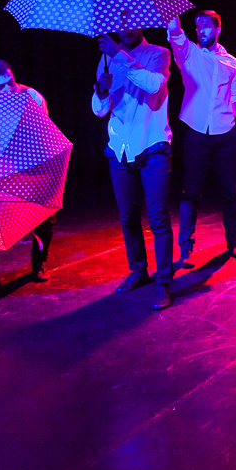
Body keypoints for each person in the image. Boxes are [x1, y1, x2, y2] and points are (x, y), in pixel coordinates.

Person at [93, 17, 176, 310]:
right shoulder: (106, 58)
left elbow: (153, 85)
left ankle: (163, 282)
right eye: (121, 23)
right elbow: (100, 110)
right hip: (120, 148)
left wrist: (118, 55)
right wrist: (101, 91)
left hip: (152, 144)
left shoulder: (158, 54)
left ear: (142, 23)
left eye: (132, 22)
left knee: (157, 217)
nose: (126, 29)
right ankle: (138, 271)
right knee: (128, 217)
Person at [166, 10, 236, 266]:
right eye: (197, 26)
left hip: (225, 132)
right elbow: (175, 33)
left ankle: (233, 241)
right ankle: (186, 248)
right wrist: (170, 6)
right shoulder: (189, 54)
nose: (200, 30)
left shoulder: (230, 62)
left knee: (230, 191)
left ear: (217, 29)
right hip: (196, 132)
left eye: (205, 26)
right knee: (191, 192)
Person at [0, 59, 56, 296]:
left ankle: (39, 263)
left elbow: (43, 136)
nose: (8, 90)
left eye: (11, 82)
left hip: (31, 163)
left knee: (44, 215)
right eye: (0, 87)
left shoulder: (32, 97)